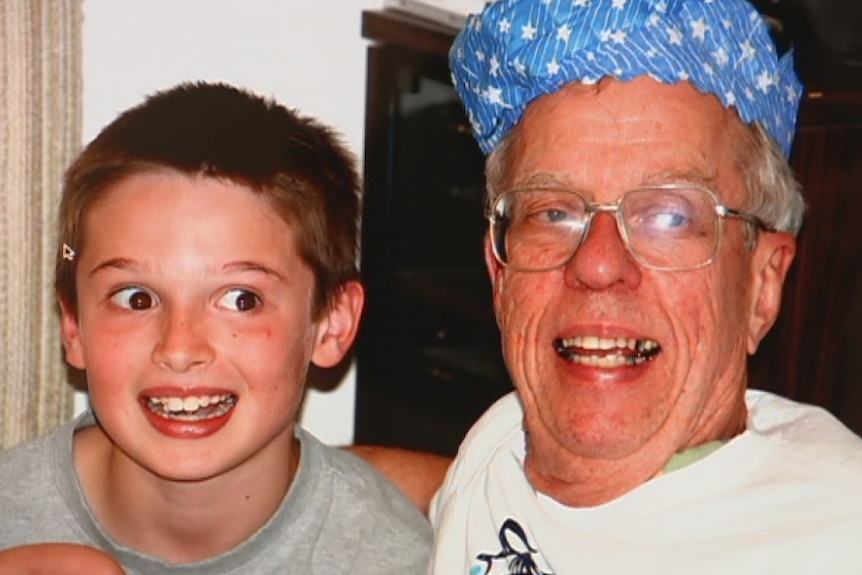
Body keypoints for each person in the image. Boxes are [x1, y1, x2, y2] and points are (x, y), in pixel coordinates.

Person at [426, 0, 862, 573]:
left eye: (670, 217)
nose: (599, 265)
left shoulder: (833, 536)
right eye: (553, 213)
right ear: (499, 273)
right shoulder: (498, 442)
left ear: (762, 286)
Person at [0, 82, 431, 574]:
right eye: (136, 298)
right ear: (74, 323)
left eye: (241, 299)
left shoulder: (390, 557)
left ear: (331, 323)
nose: (180, 348)